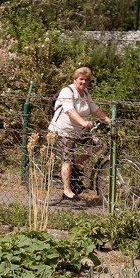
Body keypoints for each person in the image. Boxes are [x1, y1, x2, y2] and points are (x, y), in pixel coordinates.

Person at [48, 67, 111, 200]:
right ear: (75, 79)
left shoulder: (85, 93)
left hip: (78, 130)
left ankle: (76, 164)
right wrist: (83, 122)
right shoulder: (67, 91)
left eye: (86, 80)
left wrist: (107, 119)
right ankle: (66, 190)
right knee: (67, 159)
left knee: (98, 144)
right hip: (63, 130)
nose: (83, 82)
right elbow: (69, 110)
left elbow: (95, 108)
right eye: (81, 79)